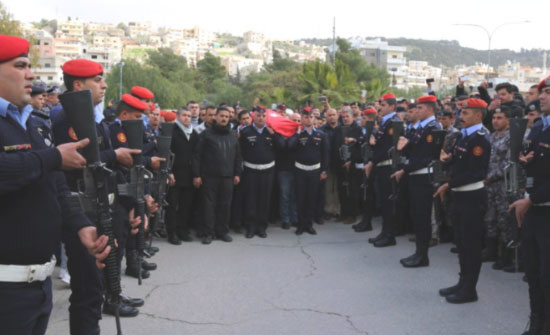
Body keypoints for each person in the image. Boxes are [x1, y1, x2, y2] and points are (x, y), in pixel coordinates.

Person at [0, 34, 109, 335]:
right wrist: (51, 157)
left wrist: (79, 225)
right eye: (21, 66)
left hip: (36, 286)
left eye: (30, 66)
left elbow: (56, 185)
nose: (31, 75)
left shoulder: (32, 121)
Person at [52, 59, 145, 323]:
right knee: (87, 289)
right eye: (97, 80)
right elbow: (77, 160)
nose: (104, 85)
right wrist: (114, 154)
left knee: (100, 279)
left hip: (102, 204)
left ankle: (111, 298)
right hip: (82, 210)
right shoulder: (67, 118)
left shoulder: (93, 117)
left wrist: (124, 207)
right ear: (79, 85)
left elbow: (102, 170)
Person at [435, 98, 491, 304]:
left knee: (471, 244)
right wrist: (446, 159)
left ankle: (470, 289)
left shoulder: (480, 138)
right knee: (461, 242)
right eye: (461, 113)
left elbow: (476, 172)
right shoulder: (464, 136)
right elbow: (460, 162)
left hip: (471, 196)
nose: (461, 117)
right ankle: (462, 282)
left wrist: (448, 184)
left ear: (478, 115)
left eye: (466, 113)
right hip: (460, 195)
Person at [510, 76, 550, 335]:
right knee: (533, 272)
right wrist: (525, 161)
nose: (541, 97)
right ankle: (537, 322)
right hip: (534, 207)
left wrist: (531, 199)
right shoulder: (538, 128)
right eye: (542, 92)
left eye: (547, 92)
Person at [392, 95, 442, 267]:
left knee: (422, 217)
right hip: (416, 174)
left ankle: (422, 255)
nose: (416, 111)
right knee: (417, 216)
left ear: (429, 109)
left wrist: (405, 169)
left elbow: (425, 156)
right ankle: (419, 253)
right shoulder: (422, 127)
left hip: (423, 176)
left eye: (420, 108)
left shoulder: (433, 127)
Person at [192, 107, 243, 244]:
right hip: (209, 177)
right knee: (209, 206)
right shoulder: (206, 134)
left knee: (225, 206)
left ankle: (222, 232)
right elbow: (197, 156)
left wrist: (237, 173)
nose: (224, 118)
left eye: (227, 116)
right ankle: (209, 233)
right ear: (216, 117)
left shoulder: (233, 135)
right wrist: (196, 175)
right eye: (221, 116)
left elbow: (238, 156)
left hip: (228, 177)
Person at [239, 107, 284, 238]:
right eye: (258, 116)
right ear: (254, 117)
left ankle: (262, 227)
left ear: (266, 118)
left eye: (263, 116)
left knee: (264, 200)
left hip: (268, 171)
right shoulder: (245, 131)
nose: (261, 118)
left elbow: (281, 146)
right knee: (251, 200)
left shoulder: (271, 131)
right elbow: (240, 151)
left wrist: (273, 134)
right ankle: (251, 227)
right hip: (250, 171)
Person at [365, 93, 402, 247]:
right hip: (382, 165)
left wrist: (372, 162)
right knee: (384, 202)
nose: (380, 108)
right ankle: (384, 232)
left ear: (392, 107)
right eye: (380, 105)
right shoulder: (385, 122)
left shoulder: (394, 122)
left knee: (388, 203)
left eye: (384, 105)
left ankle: (389, 235)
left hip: (388, 165)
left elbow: (389, 147)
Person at [288, 108, 329, 235]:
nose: (308, 119)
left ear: (314, 118)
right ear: (302, 118)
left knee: (312, 199)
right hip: (300, 171)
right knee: (300, 199)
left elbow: (325, 154)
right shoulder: (298, 133)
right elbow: (290, 146)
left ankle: (309, 225)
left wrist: (324, 171)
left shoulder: (321, 134)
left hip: (315, 171)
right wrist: (297, 134)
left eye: (311, 117)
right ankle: (301, 225)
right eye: (305, 117)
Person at [482, 107, 514, 269]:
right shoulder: (491, 136)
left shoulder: (512, 137)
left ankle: (507, 256)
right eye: (494, 117)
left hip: (503, 184)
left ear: (508, 119)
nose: (495, 121)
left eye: (500, 117)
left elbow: (508, 163)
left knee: (504, 219)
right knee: (490, 217)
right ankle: (491, 250)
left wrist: (490, 176)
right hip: (489, 184)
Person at [166, 108, 199, 244]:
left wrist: (196, 175)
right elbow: (166, 152)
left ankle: (182, 231)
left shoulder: (194, 134)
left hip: (189, 175)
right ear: (178, 116)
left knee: (186, 206)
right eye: (184, 115)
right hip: (175, 175)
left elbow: (197, 156)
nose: (187, 118)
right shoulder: (171, 131)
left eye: (189, 116)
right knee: (173, 206)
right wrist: (169, 172)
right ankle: (172, 233)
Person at [320, 108, 340, 219]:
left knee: (337, 188)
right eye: (329, 115)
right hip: (327, 163)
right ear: (326, 117)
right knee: (327, 189)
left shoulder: (342, 129)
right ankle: (328, 210)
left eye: (333, 114)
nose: (332, 117)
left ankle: (337, 210)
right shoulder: (321, 130)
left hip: (339, 164)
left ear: (337, 116)